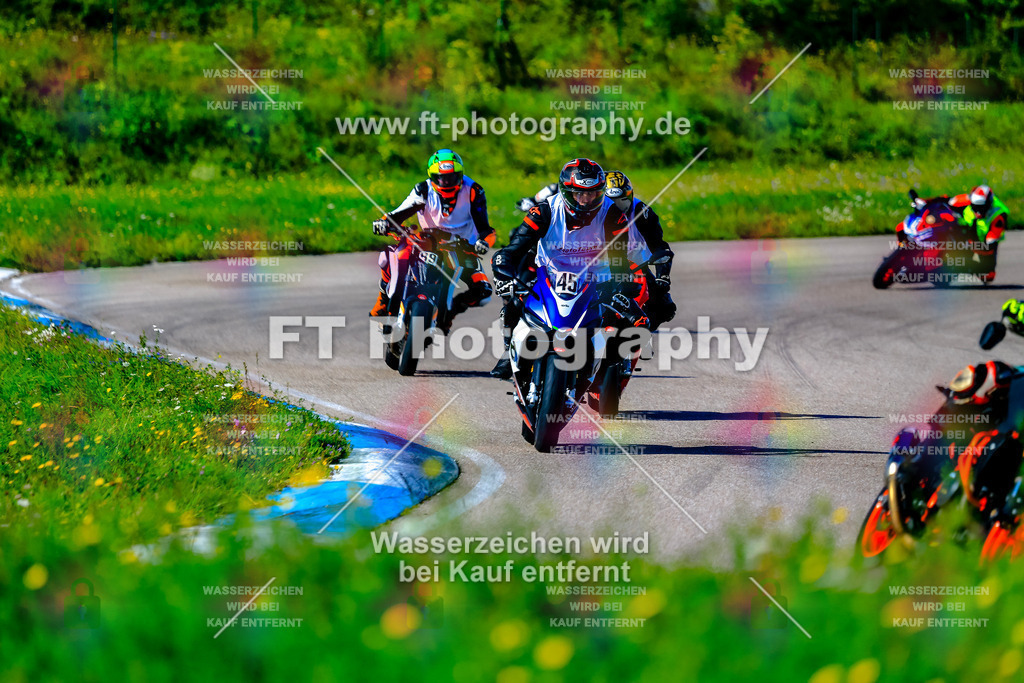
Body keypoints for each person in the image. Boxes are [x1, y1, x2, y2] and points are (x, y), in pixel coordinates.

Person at [489, 158, 637, 379]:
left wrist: (620, 284)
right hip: (548, 272)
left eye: (594, 194)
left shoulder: (613, 214)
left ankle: (609, 368)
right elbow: (514, 248)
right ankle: (509, 353)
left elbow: (619, 260)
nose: (587, 201)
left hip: (594, 276)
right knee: (513, 303)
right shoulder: (544, 211)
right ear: (566, 192)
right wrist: (503, 268)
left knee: (624, 313)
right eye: (580, 194)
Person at [369, 149, 495, 322]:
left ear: (460, 174)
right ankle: (384, 299)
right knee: (392, 256)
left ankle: (449, 314)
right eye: (442, 178)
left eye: (452, 177)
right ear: (432, 176)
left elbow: (486, 230)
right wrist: (384, 221)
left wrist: (484, 243)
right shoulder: (423, 189)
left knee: (484, 292)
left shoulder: (474, 190)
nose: (447, 182)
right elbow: (400, 212)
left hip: (462, 248)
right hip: (428, 241)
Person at [603, 170, 676, 331]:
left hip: (635, 267)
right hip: (598, 267)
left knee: (665, 308)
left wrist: (662, 277)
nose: (617, 208)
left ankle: (639, 338)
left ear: (630, 197)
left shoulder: (642, 212)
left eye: (622, 201)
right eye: (611, 203)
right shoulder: (592, 214)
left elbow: (659, 246)